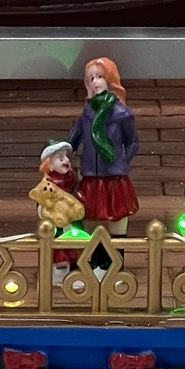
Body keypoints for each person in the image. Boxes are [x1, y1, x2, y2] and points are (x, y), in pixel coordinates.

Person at [66, 57, 139, 235]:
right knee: (90, 220)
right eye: (91, 78)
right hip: (91, 177)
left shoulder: (122, 113)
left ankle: (117, 251)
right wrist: (60, 155)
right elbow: (73, 138)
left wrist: (121, 160)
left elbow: (133, 142)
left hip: (114, 178)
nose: (95, 82)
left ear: (110, 79)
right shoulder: (87, 112)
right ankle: (94, 253)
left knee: (117, 219)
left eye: (100, 76)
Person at [29, 140, 88, 283]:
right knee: (57, 250)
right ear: (48, 164)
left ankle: (77, 274)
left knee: (77, 247)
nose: (65, 161)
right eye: (60, 158)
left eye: (66, 157)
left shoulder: (72, 181)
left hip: (73, 223)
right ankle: (56, 274)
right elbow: (41, 205)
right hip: (56, 227)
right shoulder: (46, 186)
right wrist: (48, 212)